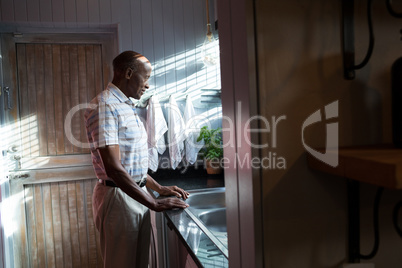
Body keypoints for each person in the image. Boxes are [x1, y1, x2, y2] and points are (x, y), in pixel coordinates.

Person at [84, 51, 189, 268]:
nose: (148, 85)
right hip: (119, 198)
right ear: (129, 73)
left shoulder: (126, 106)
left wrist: (159, 188)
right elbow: (113, 168)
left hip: (134, 194)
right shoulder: (105, 106)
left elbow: (131, 166)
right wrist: (153, 202)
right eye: (146, 78)